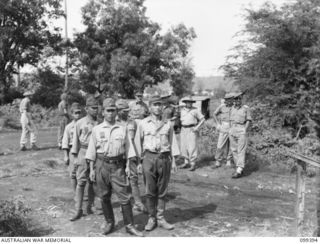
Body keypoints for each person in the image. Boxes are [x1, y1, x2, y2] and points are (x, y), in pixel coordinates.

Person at [86, 98, 143, 237]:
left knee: (124, 197)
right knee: (104, 196)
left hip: (118, 167)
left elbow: (129, 149)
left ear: (116, 112)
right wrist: (92, 169)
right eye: (108, 110)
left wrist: (129, 166)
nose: (111, 113)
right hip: (101, 165)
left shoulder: (122, 129)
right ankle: (109, 222)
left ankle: (130, 226)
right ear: (103, 112)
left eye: (113, 110)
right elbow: (91, 151)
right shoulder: (96, 129)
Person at [135, 95, 179, 232]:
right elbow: (137, 144)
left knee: (162, 190)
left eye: (160, 104)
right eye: (154, 104)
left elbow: (173, 143)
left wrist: (174, 162)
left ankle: (160, 218)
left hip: (164, 158)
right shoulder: (143, 123)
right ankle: (151, 218)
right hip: (148, 158)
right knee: (150, 191)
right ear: (150, 107)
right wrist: (138, 162)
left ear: (163, 107)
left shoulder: (168, 124)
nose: (158, 107)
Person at [69, 96, 99, 221]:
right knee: (81, 181)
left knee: (93, 181)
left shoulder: (100, 123)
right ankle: (78, 209)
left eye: (97, 108)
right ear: (86, 109)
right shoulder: (80, 123)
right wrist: (75, 156)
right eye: (93, 108)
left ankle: (90, 206)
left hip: (96, 153)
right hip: (83, 151)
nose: (96, 110)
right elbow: (75, 140)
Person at [116, 99, 147, 213]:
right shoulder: (113, 123)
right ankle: (124, 203)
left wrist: (139, 161)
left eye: (126, 110)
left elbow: (136, 142)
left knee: (133, 179)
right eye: (123, 110)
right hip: (119, 156)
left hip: (132, 154)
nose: (125, 112)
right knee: (121, 181)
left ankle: (138, 202)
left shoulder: (132, 123)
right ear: (118, 111)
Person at [178, 96, 205, 171]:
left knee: (192, 146)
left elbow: (202, 119)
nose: (188, 103)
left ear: (192, 103)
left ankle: (193, 163)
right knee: (184, 146)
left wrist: (197, 127)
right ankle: (186, 162)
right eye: (187, 102)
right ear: (185, 103)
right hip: (183, 129)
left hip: (192, 129)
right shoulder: (182, 110)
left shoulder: (195, 110)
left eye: (190, 102)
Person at [229, 91, 252, 178]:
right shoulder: (232, 108)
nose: (237, 100)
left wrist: (244, 130)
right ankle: (238, 167)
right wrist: (230, 130)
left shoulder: (245, 108)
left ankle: (239, 170)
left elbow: (248, 120)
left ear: (241, 100)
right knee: (234, 150)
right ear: (233, 100)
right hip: (232, 130)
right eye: (235, 99)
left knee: (241, 150)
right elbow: (230, 120)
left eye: (239, 99)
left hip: (241, 129)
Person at [62, 102, 82, 194]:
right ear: (72, 114)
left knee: (84, 174)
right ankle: (76, 194)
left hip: (83, 150)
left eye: (79, 112)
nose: (78, 115)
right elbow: (65, 142)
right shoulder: (69, 127)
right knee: (73, 174)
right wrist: (66, 156)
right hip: (72, 151)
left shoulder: (85, 125)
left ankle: (86, 197)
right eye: (75, 113)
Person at [212, 93, 234, 168]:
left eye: (230, 99)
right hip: (224, 126)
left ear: (232, 100)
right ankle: (218, 161)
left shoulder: (235, 107)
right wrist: (218, 124)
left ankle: (228, 160)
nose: (228, 101)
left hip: (233, 126)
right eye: (227, 99)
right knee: (220, 145)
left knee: (232, 145)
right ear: (225, 100)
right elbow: (214, 114)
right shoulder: (222, 107)